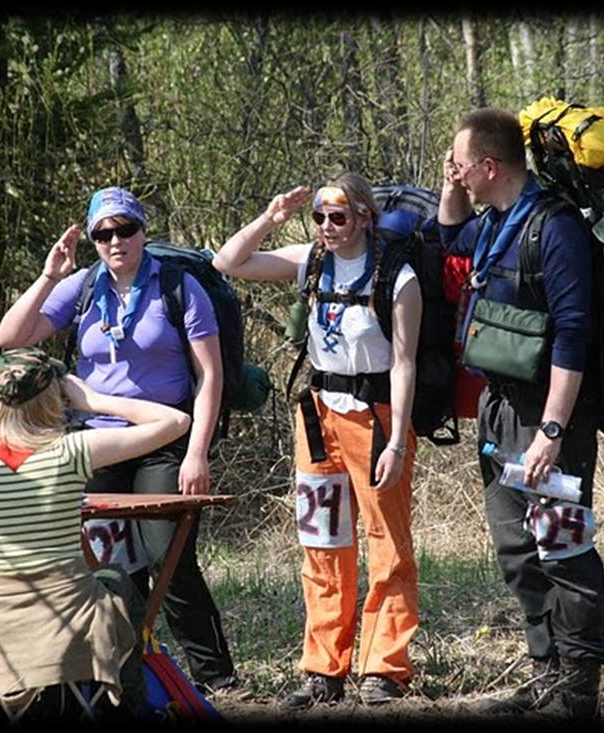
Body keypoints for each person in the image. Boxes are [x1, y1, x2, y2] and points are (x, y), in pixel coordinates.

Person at [0, 187, 240, 695]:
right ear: (93, 240)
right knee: (103, 559)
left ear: (142, 231)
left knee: (165, 554)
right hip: (97, 441)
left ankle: (215, 675)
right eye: (103, 233)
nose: (115, 241)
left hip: (165, 434)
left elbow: (210, 376)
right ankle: (127, 673)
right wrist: (49, 277)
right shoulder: (84, 287)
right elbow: (10, 339)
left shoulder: (178, 285)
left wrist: (197, 450)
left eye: (125, 229)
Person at [213, 171, 421, 709]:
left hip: (374, 418)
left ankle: (384, 667)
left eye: (340, 217)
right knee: (323, 541)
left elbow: (404, 364)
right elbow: (228, 263)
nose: (328, 227)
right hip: (318, 415)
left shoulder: (396, 277)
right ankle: (324, 668)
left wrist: (398, 440)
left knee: (387, 545)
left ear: (364, 218)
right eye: (321, 217)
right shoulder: (310, 260)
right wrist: (272, 218)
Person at [437, 107, 604, 718]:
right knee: (516, 547)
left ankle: (579, 685)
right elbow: (450, 239)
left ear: (489, 166)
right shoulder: (495, 221)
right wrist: (449, 185)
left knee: (561, 546)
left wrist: (552, 432)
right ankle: (545, 672)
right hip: (499, 406)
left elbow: (573, 331)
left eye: (460, 163)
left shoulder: (553, 228)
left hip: (546, 412)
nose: (454, 172)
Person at [0, 347, 191, 715]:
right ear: (52, 396)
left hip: (2, 632)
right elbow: (175, 422)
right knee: (119, 581)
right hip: (70, 625)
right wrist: (94, 400)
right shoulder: (71, 452)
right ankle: (128, 708)